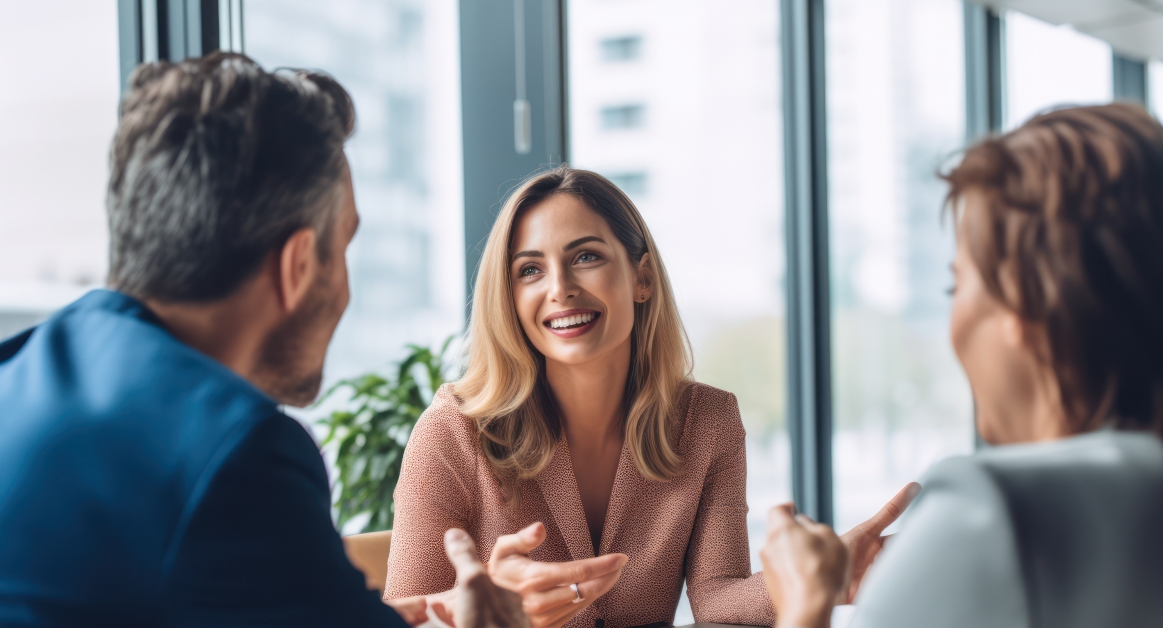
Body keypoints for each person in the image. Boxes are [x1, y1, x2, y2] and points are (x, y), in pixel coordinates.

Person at [0, 52, 525, 628]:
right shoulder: (236, 456)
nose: (345, 290)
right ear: (296, 266)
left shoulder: (2, 379)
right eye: (342, 249)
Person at [384, 167, 918, 628]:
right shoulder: (455, 428)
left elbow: (717, 599)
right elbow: (400, 615)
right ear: (509, 295)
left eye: (586, 257)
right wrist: (488, 609)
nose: (559, 288)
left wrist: (820, 577)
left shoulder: (708, 420)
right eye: (530, 270)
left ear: (641, 277)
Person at [758, 103, 1163, 628]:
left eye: (957, 284)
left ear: (1025, 301)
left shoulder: (994, 513)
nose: (952, 320)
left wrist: (803, 604)